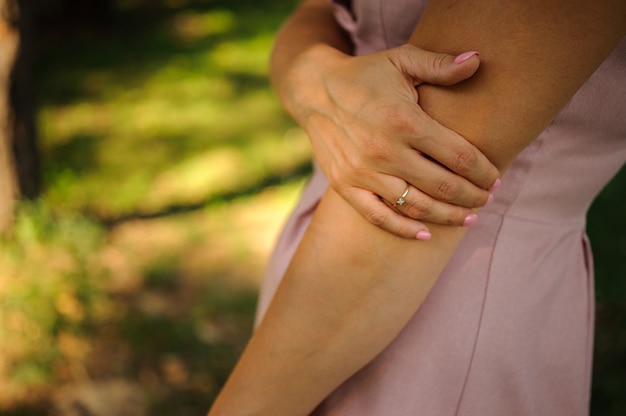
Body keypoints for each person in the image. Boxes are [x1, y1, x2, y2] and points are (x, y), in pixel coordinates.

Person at [208, 0, 626, 414]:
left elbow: (428, 165)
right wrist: (310, 79)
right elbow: (318, 9)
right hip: (324, 280)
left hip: (437, 297)